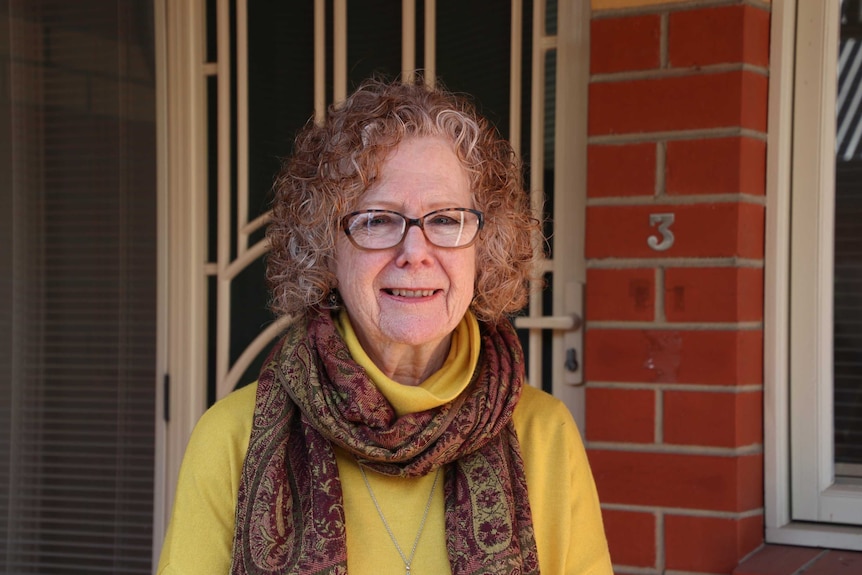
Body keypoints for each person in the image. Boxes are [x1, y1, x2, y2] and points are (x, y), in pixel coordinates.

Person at [157, 78, 613, 575]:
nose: (415, 253)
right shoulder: (231, 438)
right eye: (377, 220)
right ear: (326, 245)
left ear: (487, 245)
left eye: (446, 220)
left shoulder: (545, 435)